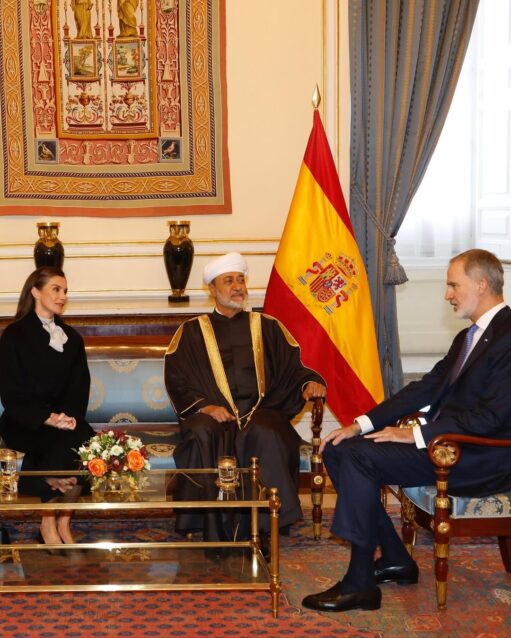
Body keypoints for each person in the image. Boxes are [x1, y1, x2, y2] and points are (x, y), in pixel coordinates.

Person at [302, 248, 511, 612]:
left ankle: (359, 582)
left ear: (481, 284)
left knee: (359, 458)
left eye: (453, 285)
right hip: (447, 447)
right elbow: (425, 388)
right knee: (337, 447)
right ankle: (395, 557)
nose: (447, 294)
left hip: (480, 456)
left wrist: (415, 435)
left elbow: (491, 418)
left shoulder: (508, 337)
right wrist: (360, 424)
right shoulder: (469, 337)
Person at [164, 252, 326, 541]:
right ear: (211, 289)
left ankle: (265, 526)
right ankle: (215, 527)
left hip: (262, 410)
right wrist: (206, 407)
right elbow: (177, 379)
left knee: (266, 431)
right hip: (215, 415)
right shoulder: (191, 331)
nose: (238, 287)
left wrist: (309, 382)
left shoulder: (267, 326)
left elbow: (293, 368)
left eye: (240, 280)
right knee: (202, 431)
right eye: (229, 281)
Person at [0, 267, 95, 547]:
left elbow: (80, 387)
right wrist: (47, 418)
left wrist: (67, 418)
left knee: (87, 442)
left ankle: (63, 522)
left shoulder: (72, 338)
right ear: (35, 291)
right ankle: (47, 522)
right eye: (56, 289)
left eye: (65, 291)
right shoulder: (14, 335)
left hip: (64, 419)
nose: (62, 296)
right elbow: (11, 393)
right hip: (23, 419)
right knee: (56, 444)